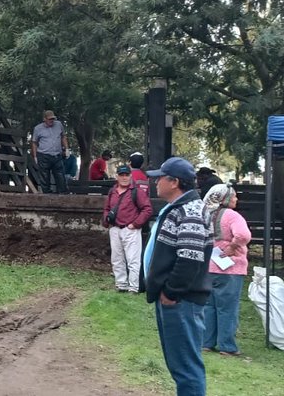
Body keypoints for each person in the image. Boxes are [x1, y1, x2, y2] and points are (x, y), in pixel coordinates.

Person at [143, 156, 211, 396]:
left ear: (174, 182)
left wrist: (171, 292)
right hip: (176, 299)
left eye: (160, 178)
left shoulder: (190, 210)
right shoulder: (178, 208)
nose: (156, 183)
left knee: (186, 368)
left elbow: (190, 259)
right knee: (179, 365)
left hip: (182, 301)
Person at [201, 185, 251, 356]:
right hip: (230, 268)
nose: (236, 199)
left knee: (209, 306)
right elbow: (243, 235)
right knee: (227, 307)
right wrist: (232, 247)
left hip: (209, 266)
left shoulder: (206, 214)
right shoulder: (232, 216)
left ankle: (206, 342)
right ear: (224, 199)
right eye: (234, 196)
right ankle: (227, 346)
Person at [103, 165, 153, 293]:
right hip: (115, 228)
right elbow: (107, 208)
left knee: (133, 260)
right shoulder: (112, 191)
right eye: (121, 175)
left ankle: (133, 287)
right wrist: (106, 221)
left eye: (126, 175)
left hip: (130, 229)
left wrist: (135, 224)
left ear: (130, 176)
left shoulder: (136, 192)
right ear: (117, 176)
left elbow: (147, 209)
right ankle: (121, 285)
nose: (124, 177)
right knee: (117, 259)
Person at [31, 110, 68, 194]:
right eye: (49, 119)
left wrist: (66, 148)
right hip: (44, 155)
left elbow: (63, 136)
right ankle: (47, 194)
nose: (52, 121)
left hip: (57, 155)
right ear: (44, 119)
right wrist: (35, 156)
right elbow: (34, 142)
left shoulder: (58, 125)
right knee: (44, 176)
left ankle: (63, 193)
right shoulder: (38, 129)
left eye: (53, 119)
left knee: (60, 175)